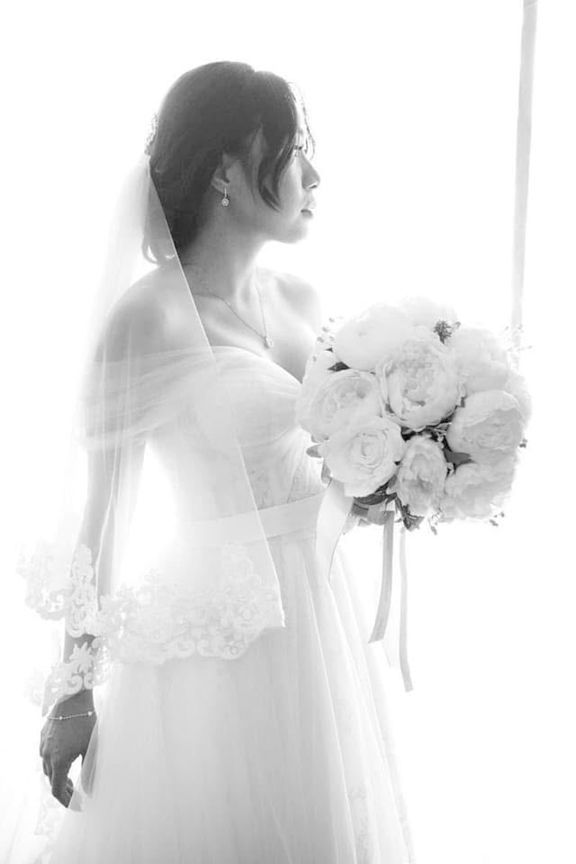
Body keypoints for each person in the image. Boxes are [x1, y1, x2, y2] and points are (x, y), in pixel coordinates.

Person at [21, 61, 417, 862]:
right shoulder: (148, 319)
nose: (315, 174)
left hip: (317, 610)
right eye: (295, 149)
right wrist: (73, 690)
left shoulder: (302, 299)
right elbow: (105, 518)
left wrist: (399, 482)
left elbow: (326, 463)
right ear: (229, 170)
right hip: (216, 635)